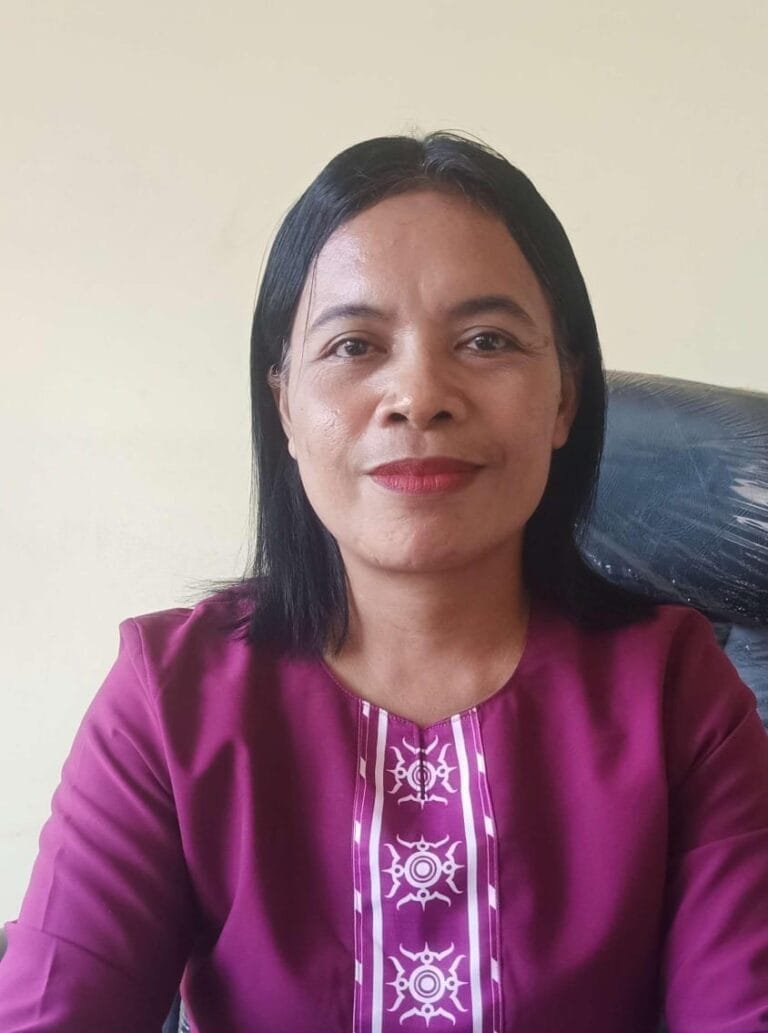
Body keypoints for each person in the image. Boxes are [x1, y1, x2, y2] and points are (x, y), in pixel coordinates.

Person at [0, 132, 766, 1033]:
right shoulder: (171, 695)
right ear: (285, 405)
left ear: (565, 396)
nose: (418, 394)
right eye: (355, 344)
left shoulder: (676, 690)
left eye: (486, 339)